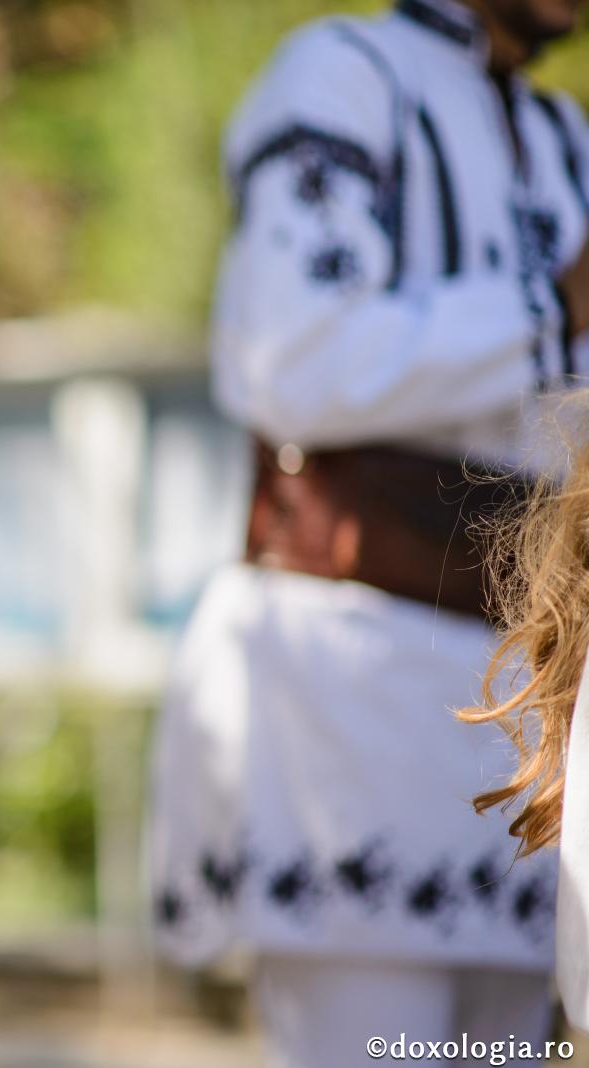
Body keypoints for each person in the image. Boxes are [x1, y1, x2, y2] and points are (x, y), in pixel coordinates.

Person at [149, 0, 589, 1063]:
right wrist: (551, 306)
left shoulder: (564, 136)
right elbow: (290, 359)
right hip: (351, 687)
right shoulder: (339, 75)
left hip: (531, 686)